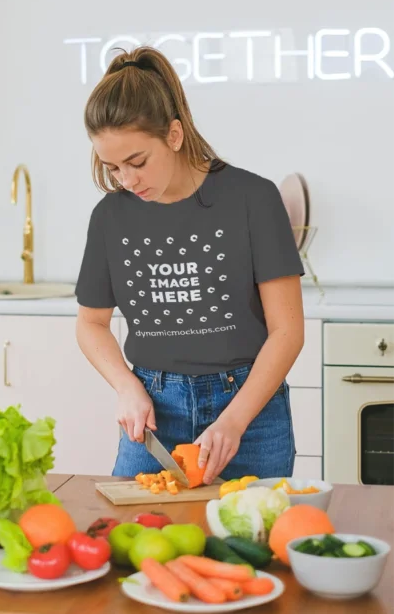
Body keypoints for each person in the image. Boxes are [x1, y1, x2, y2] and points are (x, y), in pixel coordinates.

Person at [75, 46, 304, 485]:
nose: (126, 180)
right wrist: (126, 387)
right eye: (113, 167)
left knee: (250, 543)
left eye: (137, 162)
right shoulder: (110, 217)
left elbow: (288, 331)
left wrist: (234, 421)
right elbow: (91, 324)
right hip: (155, 412)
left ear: (174, 135)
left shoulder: (252, 199)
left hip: (250, 411)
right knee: (139, 544)